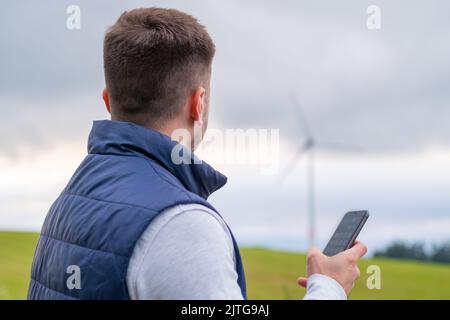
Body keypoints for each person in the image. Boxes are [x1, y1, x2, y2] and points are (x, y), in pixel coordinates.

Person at [28, 7, 367, 300]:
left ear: (107, 100)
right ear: (198, 103)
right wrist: (330, 287)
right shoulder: (181, 224)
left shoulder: (71, 199)